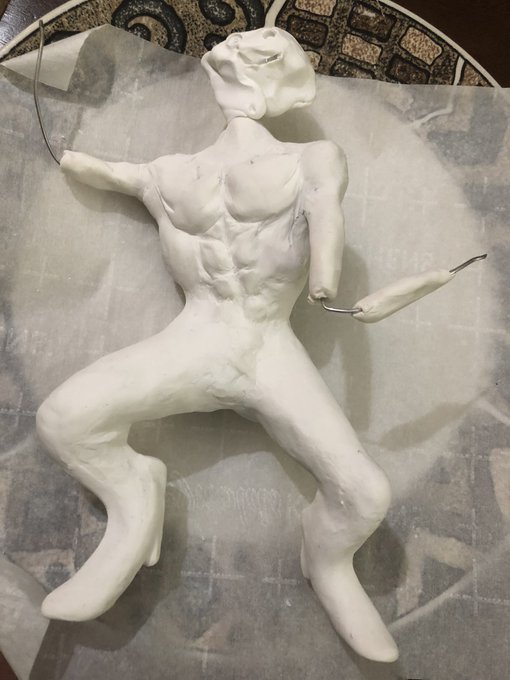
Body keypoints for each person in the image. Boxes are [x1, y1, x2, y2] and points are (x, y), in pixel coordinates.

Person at [36, 27, 397, 662]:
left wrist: (326, 276)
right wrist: (59, 143)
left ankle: (328, 560)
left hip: (267, 347)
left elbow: (326, 221)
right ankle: (134, 500)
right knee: (64, 418)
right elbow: (106, 172)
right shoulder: (171, 173)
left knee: (365, 495)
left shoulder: (314, 159)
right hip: (196, 339)